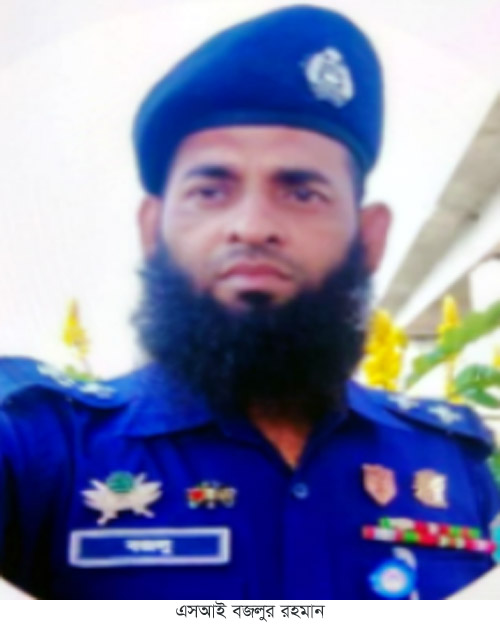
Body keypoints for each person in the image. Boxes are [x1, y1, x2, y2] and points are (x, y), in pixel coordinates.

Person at [0, 5, 499, 600]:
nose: (253, 225)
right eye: (211, 190)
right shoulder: (44, 447)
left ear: (370, 238)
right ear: (152, 228)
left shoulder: (452, 462)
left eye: (303, 193)